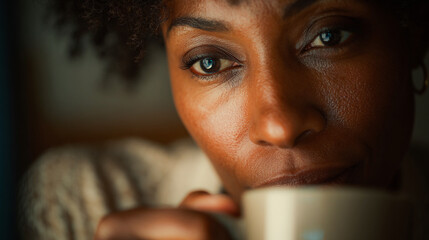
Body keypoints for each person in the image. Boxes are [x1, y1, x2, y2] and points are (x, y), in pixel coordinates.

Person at [19, 0, 429, 239]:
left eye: (329, 36)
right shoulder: (76, 205)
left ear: (413, 35)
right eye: (210, 62)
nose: (280, 127)